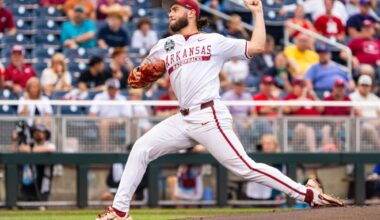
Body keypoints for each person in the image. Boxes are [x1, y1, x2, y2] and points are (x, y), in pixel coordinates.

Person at [97, 1, 343, 219]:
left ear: (191, 12)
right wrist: (142, 77)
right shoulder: (164, 45)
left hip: (208, 115)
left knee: (245, 167)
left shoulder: (214, 41)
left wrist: (258, 13)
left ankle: (309, 195)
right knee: (141, 148)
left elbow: (257, 46)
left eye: (175, 8)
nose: (170, 13)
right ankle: (119, 211)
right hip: (182, 118)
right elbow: (140, 78)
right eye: (169, 9)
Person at [12, 123, 55, 202]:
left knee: (41, 204)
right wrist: (15, 140)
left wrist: (30, 150)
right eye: (36, 131)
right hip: (29, 183)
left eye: (40, 131)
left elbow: (50, 149)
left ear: (45, 134)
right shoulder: (31, 144)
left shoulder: (49, 144)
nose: (37, 133)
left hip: (42, 184)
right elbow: (17, 150)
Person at [89, 79, 132, 151]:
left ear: (117, 89)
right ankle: (104, 150)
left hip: (119, 123)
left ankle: (129, 150)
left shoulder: (122, 99)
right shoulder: (99, 97)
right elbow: (91, 114)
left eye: (114, 88)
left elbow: (128, 116)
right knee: (104, 123)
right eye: (110, 88)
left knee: (134, 123)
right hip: (101, 122)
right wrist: (98, 121)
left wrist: (119, 121)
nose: (112, 90)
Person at [283, 79, 323, 152]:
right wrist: (303, 94)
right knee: (304, 128)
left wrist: (314, 96)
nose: (302, 88)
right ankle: (313, 154)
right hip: (296, 126)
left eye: (303, 86)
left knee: (326, 128)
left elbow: (321, 109)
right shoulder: (290, 97)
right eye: (299, 86)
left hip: (315, 125)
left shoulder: (311, 98)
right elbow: (294, 108)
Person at [349, 75, 380, 149]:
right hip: (359, 124)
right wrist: (372, 123)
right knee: (369, 127)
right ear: (358, 85)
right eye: (363, 85)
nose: (365, 87)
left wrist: (375, 123)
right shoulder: (352, 97)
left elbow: (379, 114)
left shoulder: (375, 98)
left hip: (376, 123)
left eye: (367, 85)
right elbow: (359, 115)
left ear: (370, 87)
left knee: (370, 127)